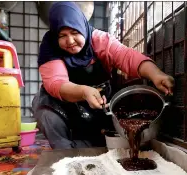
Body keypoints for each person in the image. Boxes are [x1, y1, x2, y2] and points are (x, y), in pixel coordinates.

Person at [32, 2, 174, 150]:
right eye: (62, 35)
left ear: (82, 27)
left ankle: (82, 146)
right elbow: (56, 82)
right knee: (49, 117)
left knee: (99, 142)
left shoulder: (99, 40)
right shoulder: (49, 46)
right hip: (60, 103)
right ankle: (64, 153)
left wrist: (156, 74)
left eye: (75, 33)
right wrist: (83, 92)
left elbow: (127, 57)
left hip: (96, 103)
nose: (70, 41)